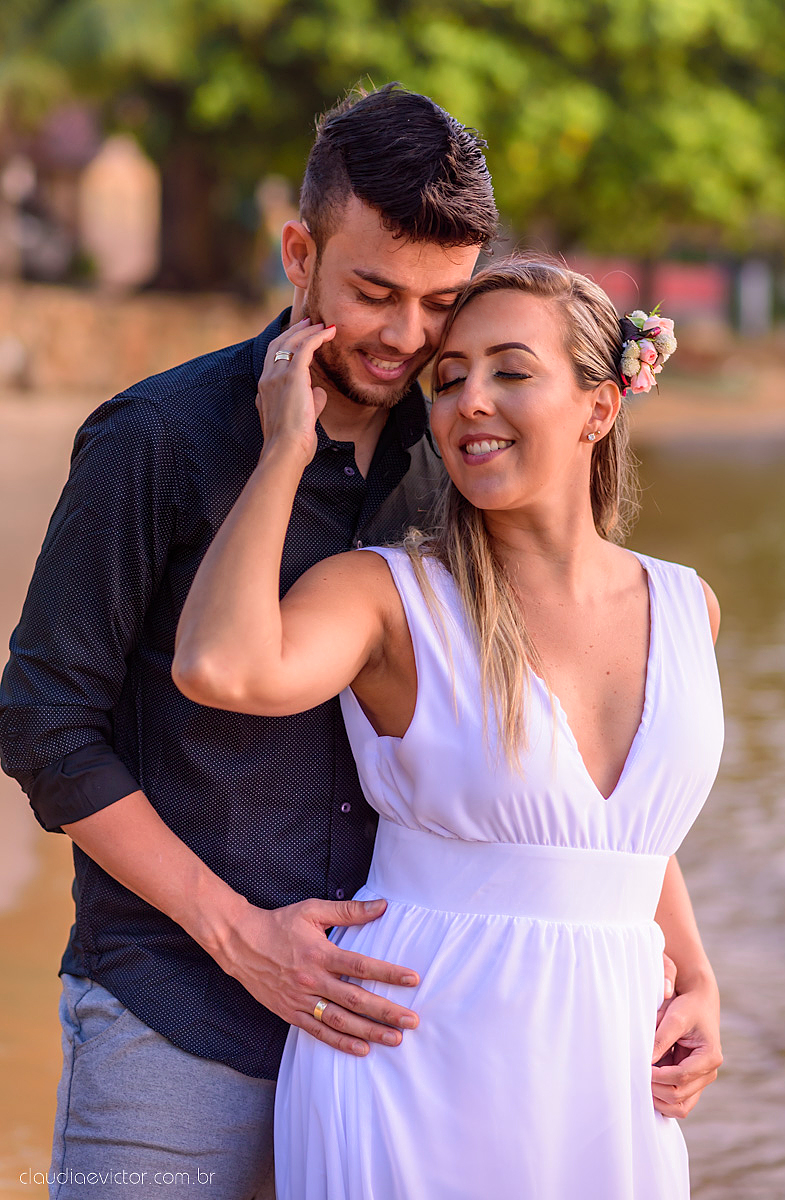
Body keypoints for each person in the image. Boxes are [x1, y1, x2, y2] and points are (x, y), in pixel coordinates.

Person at [0, 84, 495, 1200]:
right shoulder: (156, 439)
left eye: (442, 303)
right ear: (298, 252)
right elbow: (42, 722)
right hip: (175, 1008)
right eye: (375, 291)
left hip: (398, 1030)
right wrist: (240, 936)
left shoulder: (462, 460)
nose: (408, 337)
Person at [172, 257, 725, 1200]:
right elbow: (218, 666)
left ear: (600, 407)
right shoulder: (387, 595)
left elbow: (617, 833)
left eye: (510, 370)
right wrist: (283, 454)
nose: (469, 401)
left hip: (608, 1074)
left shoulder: (687, 606)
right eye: (448, 379)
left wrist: (699, 980)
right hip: (413, 1061)